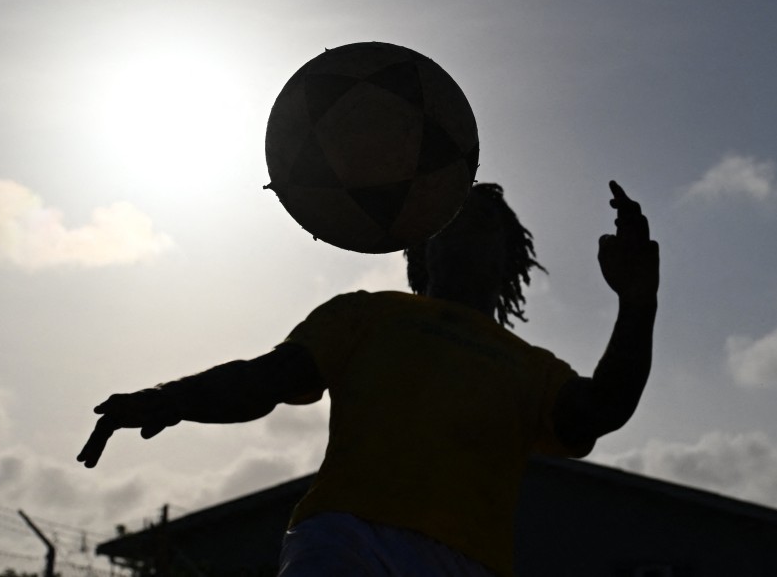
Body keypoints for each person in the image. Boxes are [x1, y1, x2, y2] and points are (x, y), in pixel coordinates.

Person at [78, 180, 659, 577]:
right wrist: (168, 398)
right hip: (345, 541)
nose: (464, 232)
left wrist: (637, 302)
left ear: (509, 256)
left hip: (468, 560)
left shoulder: (531, 369)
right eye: (449, 219)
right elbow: (267, 379)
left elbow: (601, 410)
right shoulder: (367, 315)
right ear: (421, 247)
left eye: (482, 224)